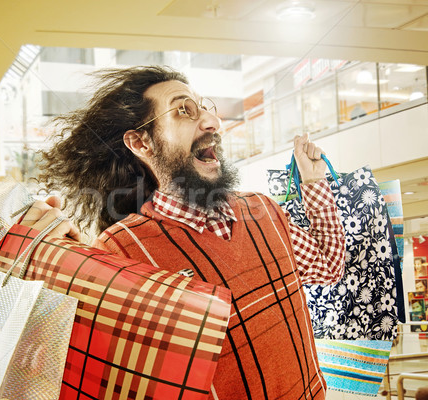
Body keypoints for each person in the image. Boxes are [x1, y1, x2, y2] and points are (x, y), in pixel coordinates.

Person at [22, 66, 346, 399]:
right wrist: (46, 269)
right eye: (183, 111)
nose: (212, 122)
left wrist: (314, 182)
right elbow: (84, 369)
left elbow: (328, 266)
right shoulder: (120, 251)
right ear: (141, 143)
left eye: (205, 108)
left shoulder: (264, 210)